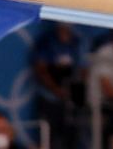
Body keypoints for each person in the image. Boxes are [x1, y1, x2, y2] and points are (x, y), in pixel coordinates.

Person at [29, 21, 85, 149]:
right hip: (49, 96)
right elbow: (40, 69)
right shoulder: (46, 41)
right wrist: (55, 89)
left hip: (71, 95)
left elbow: (83, 70)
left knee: (72, 135)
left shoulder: (76, 42)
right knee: (48, 137)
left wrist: (74, 93)